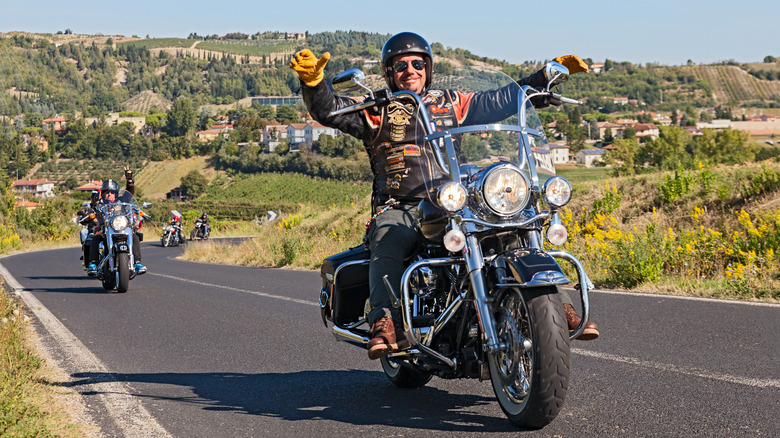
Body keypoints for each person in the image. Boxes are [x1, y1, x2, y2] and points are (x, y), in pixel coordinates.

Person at [291, 32, 599, 359]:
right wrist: (314, 84)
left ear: (428, 67)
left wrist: (545, 77)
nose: (410, 70)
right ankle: (386, 320)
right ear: (388, 72)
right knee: (389, 237)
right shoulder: (376, 109)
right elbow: (330, 110)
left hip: (455, 199)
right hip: (402, 206)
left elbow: (501, 100)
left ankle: (553, 304)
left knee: (512, 225)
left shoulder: (453, 102)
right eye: (401, 65)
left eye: (417, 63)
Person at [87, 166, 146, 276]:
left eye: (112, 192)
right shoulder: (100, 204)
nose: (109, 194)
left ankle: (137, 263)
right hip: (106, 230)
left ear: (116, 193)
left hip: (122, 229)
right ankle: (93, 264)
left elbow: (130, 193)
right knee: (95, 238)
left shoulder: (122, 201)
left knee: (135, 236)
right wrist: (92, 211)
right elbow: (92, 209)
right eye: (107, 192)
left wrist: (129, 180)